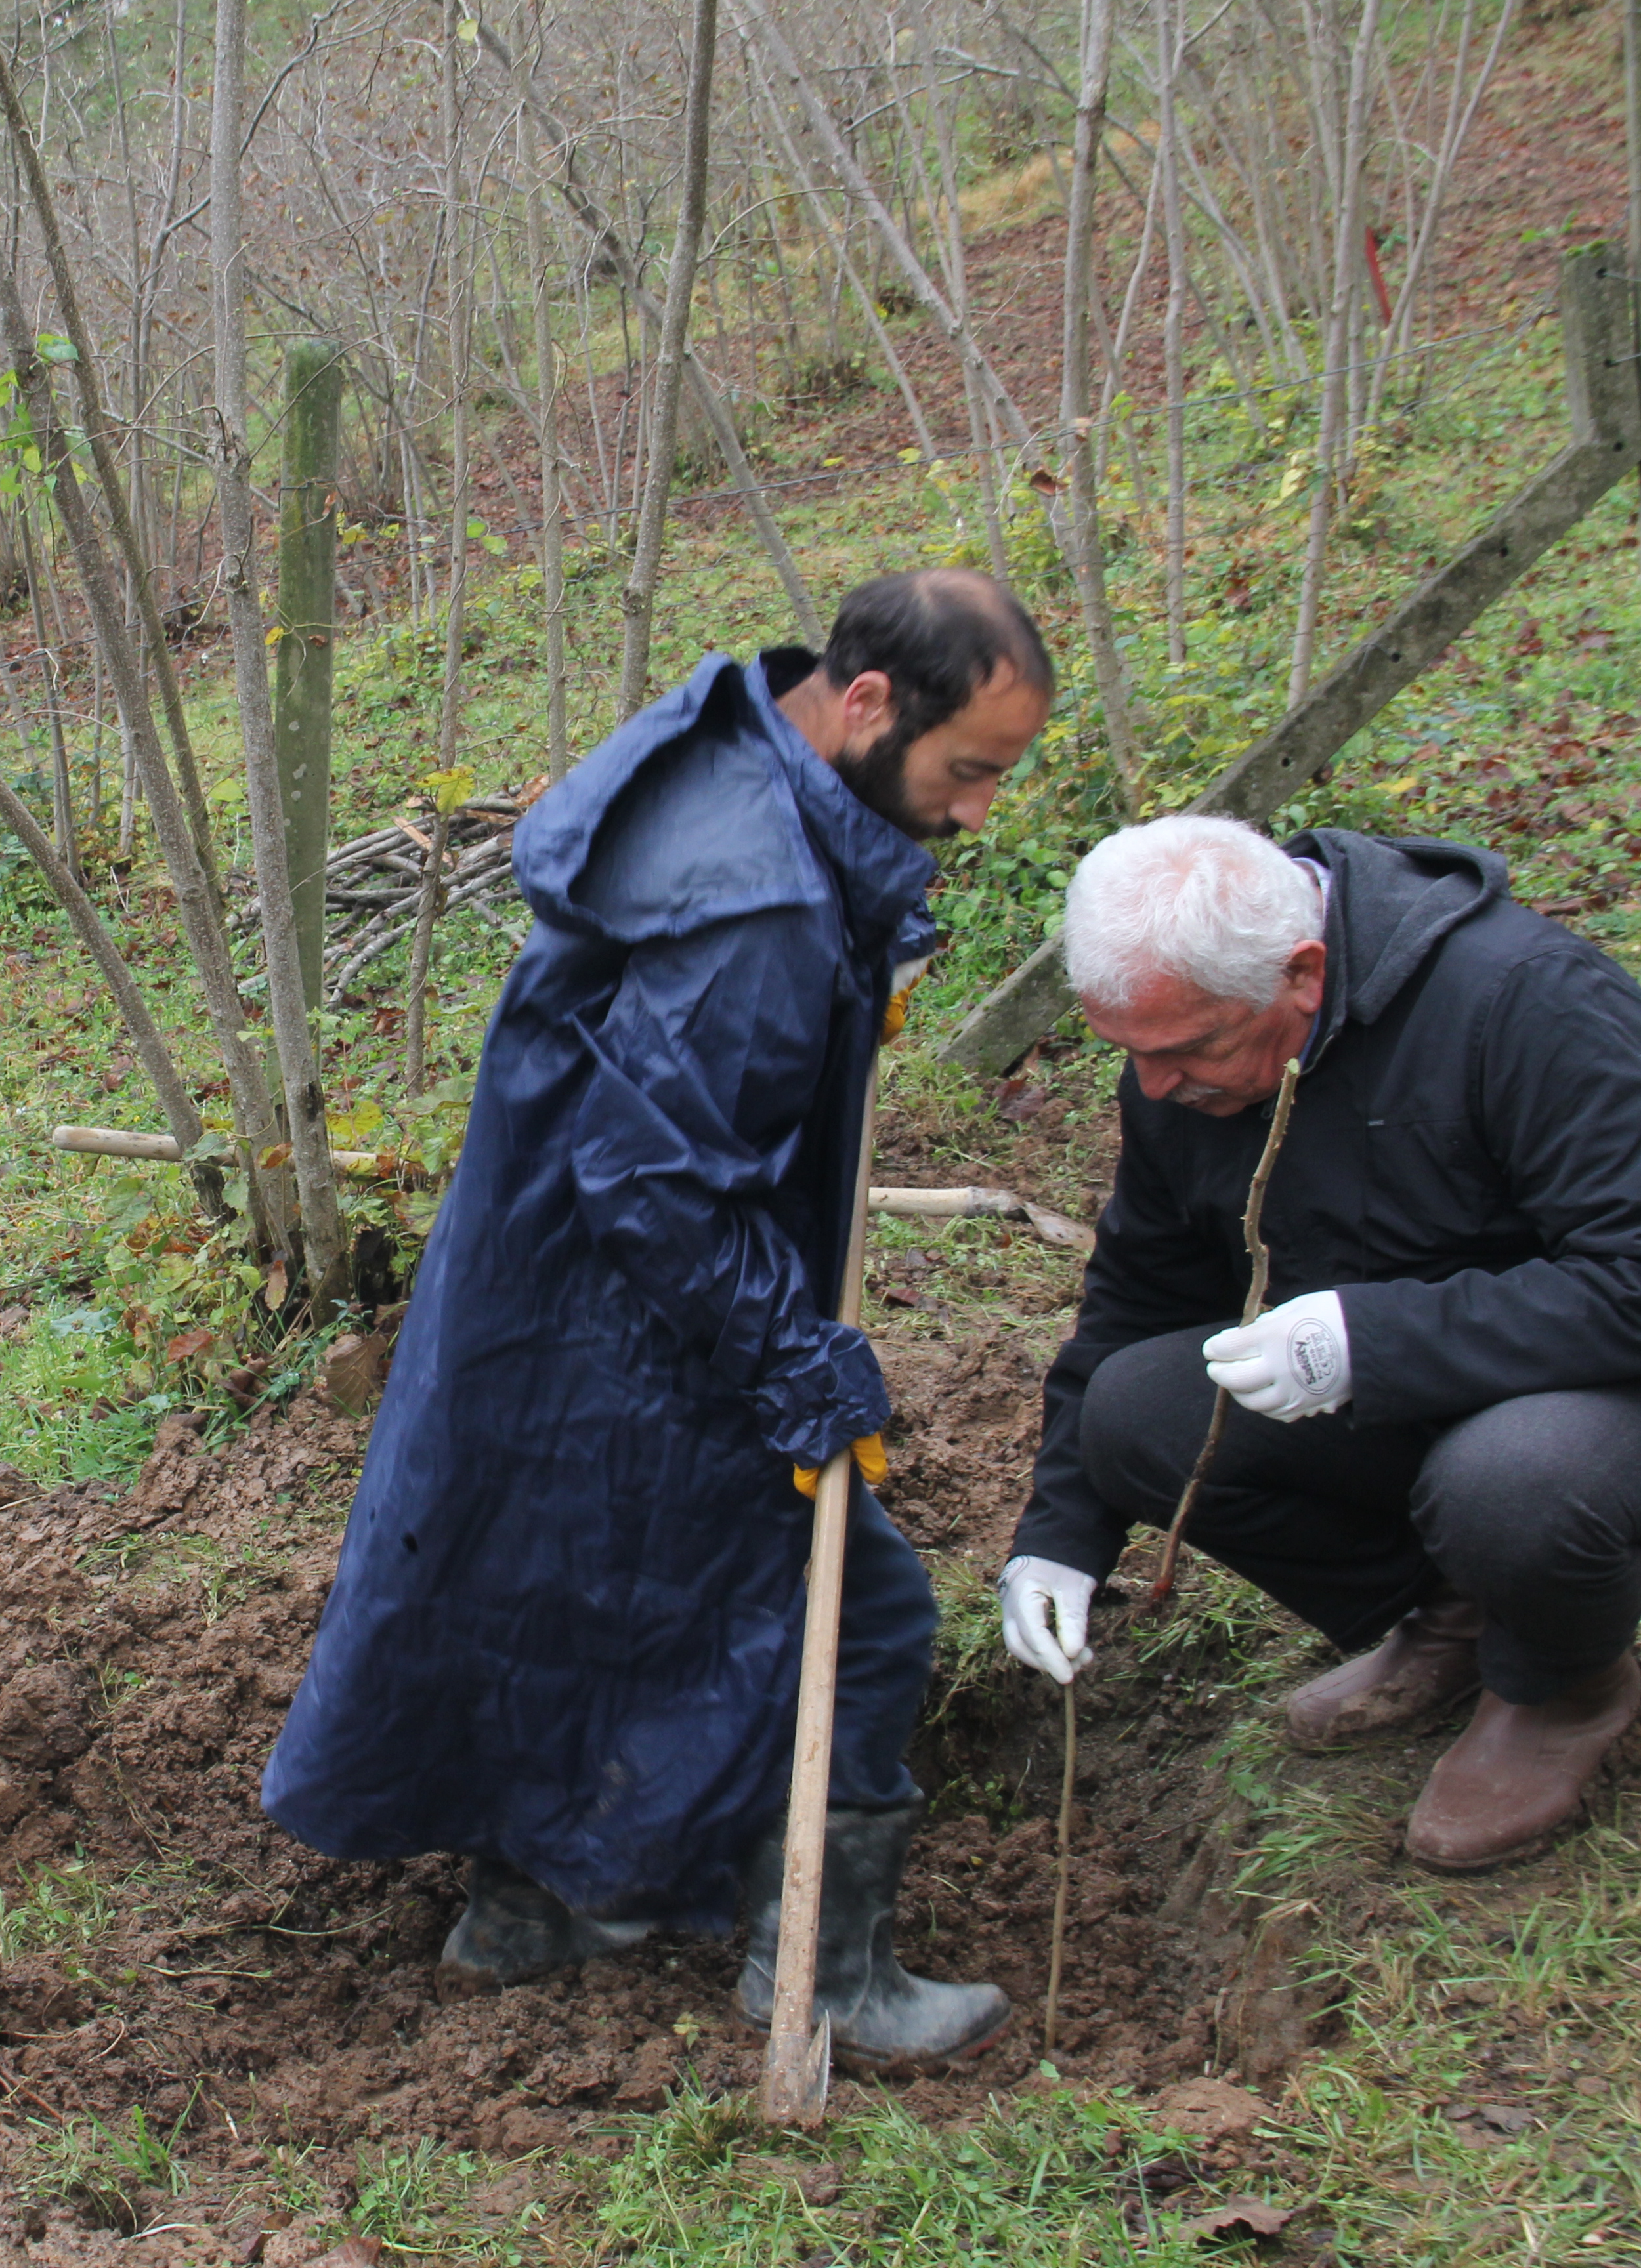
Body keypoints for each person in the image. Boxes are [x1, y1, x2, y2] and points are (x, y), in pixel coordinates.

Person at [264, 571, 1054, 2069]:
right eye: (968, 773)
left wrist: (862, 949)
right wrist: (798, 1363)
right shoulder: (754, 901)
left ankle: (541, 1908)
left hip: (548, 1299)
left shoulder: (740, 758)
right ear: (872, 703)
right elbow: (660, 1178)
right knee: (864, 1615)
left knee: (564, 1590)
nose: (975, 814)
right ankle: (822, 1971)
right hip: (640, 1314)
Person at [996, 816, 1641, 1872]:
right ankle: (1460, 1618)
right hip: (1438, 1376)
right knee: (1137, 1411)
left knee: (1511, 1482)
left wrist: (1368, 1339)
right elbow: (1136, 1302)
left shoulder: (1526, 1001)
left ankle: (1565, 1685)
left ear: (1303, 972)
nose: (1155, 1090)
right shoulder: (1185, 1061)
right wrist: (1059, 1536)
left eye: (1187, 1050)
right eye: (1132, 1056)